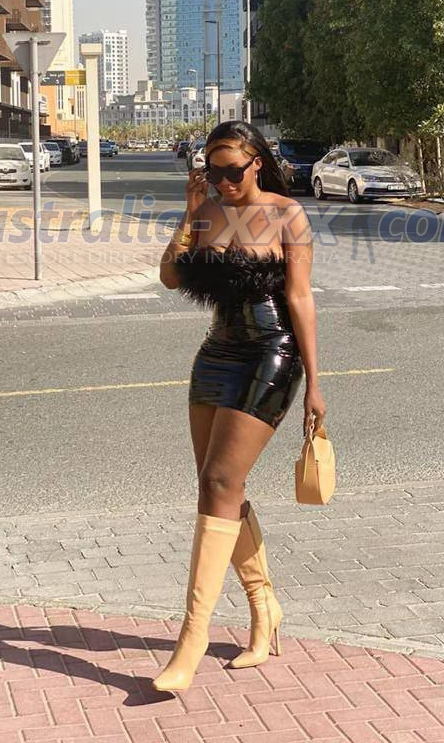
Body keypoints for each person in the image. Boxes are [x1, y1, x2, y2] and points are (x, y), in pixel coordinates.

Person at [153, 120, 326, 693]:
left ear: (256, 162)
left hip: (272, 353)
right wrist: (189, 212)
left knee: (220, 480)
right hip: (216, 354)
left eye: (232, 170)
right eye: (212, 170)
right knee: (217, 488)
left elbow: (300, 297)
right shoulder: (206, 210)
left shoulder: (286, 214)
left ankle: (192, 637)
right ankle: (263, 606)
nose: (223, 181)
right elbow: (171, 277)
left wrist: (316, 385)